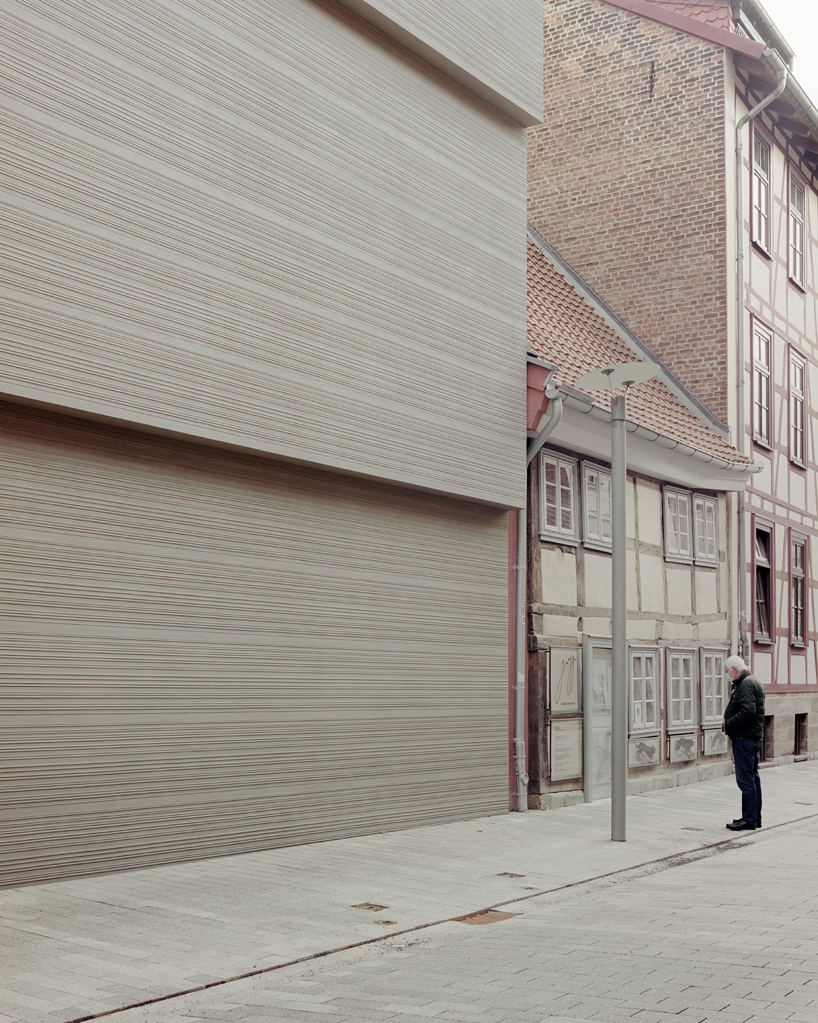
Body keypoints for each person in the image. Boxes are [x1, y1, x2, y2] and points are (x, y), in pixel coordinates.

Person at [723, 655, 765, 831]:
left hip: (745, 738)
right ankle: (754, 818)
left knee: (746, 780)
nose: (727, 675)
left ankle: (749, 820)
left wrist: (728, 723)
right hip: (751, 737)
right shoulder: (752, 681)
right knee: (753, 779)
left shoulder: (746, 684)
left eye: (727, 672)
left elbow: (748, 711)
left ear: (734, 669)